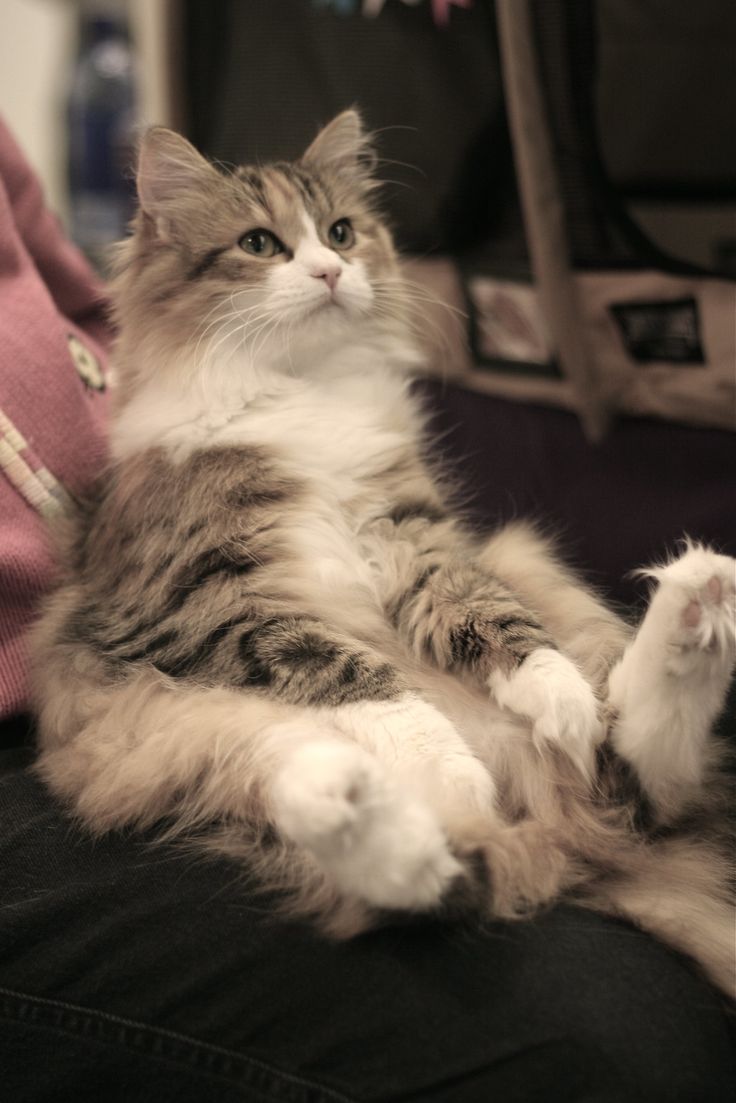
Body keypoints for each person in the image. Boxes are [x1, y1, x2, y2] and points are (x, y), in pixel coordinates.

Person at [0, 116, 733, 1103]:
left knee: (505, 565)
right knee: (601, 1033)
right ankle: (436, 857)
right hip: (147, 690)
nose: (324, 263)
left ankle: (634, 756)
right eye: (265, 242)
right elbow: (198, 621)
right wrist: (400, 709)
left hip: (329, 602)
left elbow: (76, 300)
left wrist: (501, 645)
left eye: (340, 234)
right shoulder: (182, 455)